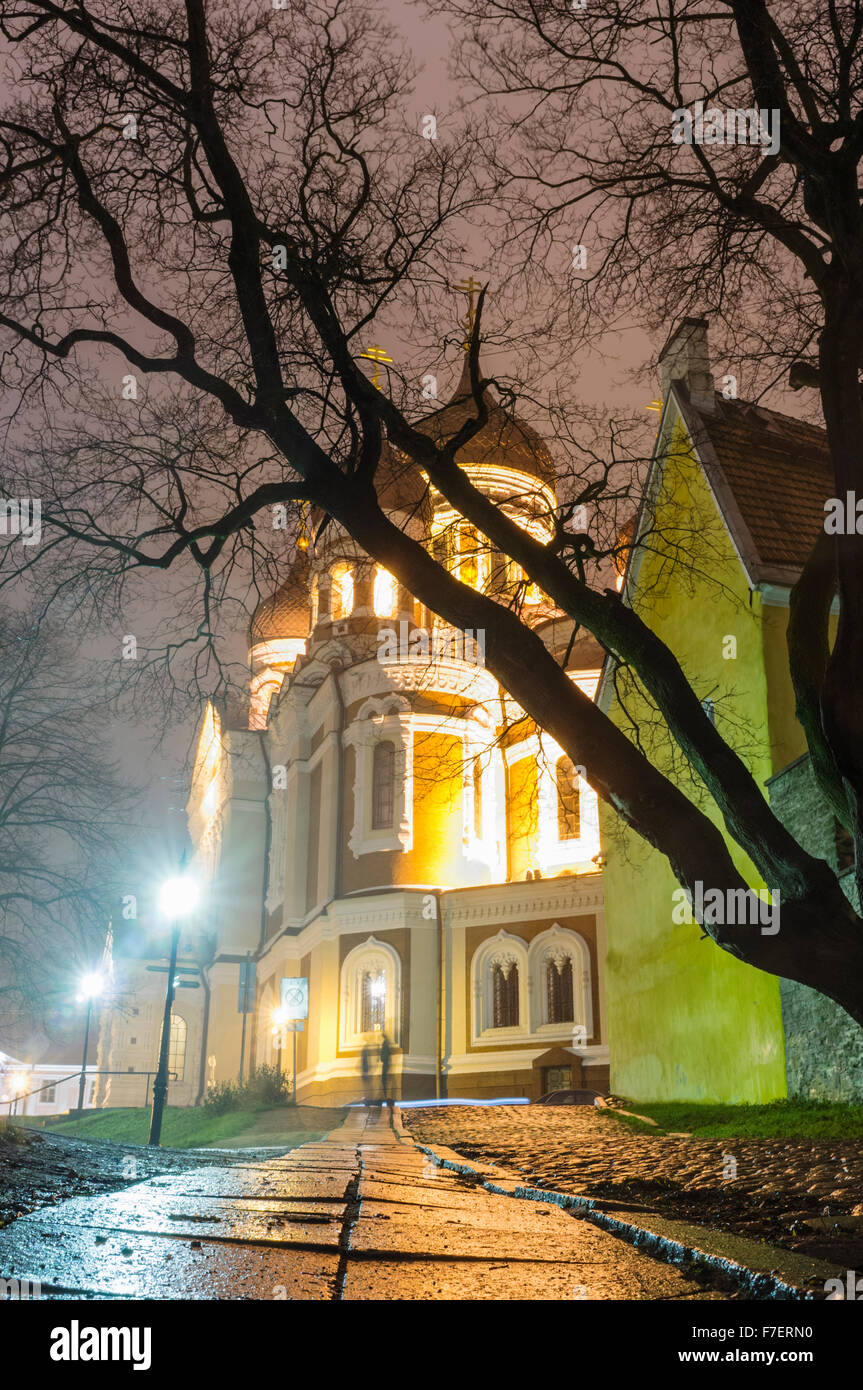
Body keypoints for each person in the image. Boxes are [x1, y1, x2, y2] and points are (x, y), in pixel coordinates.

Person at [379, 1031, 393, 1116]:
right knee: (385, 1081)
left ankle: (387, 1098)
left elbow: (384, 1056)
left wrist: (382, 1058)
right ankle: (387, 1098)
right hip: (386, 1064)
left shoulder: (385, 1044)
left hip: (385, 1065)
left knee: (384, 1081)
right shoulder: (387, 1043)